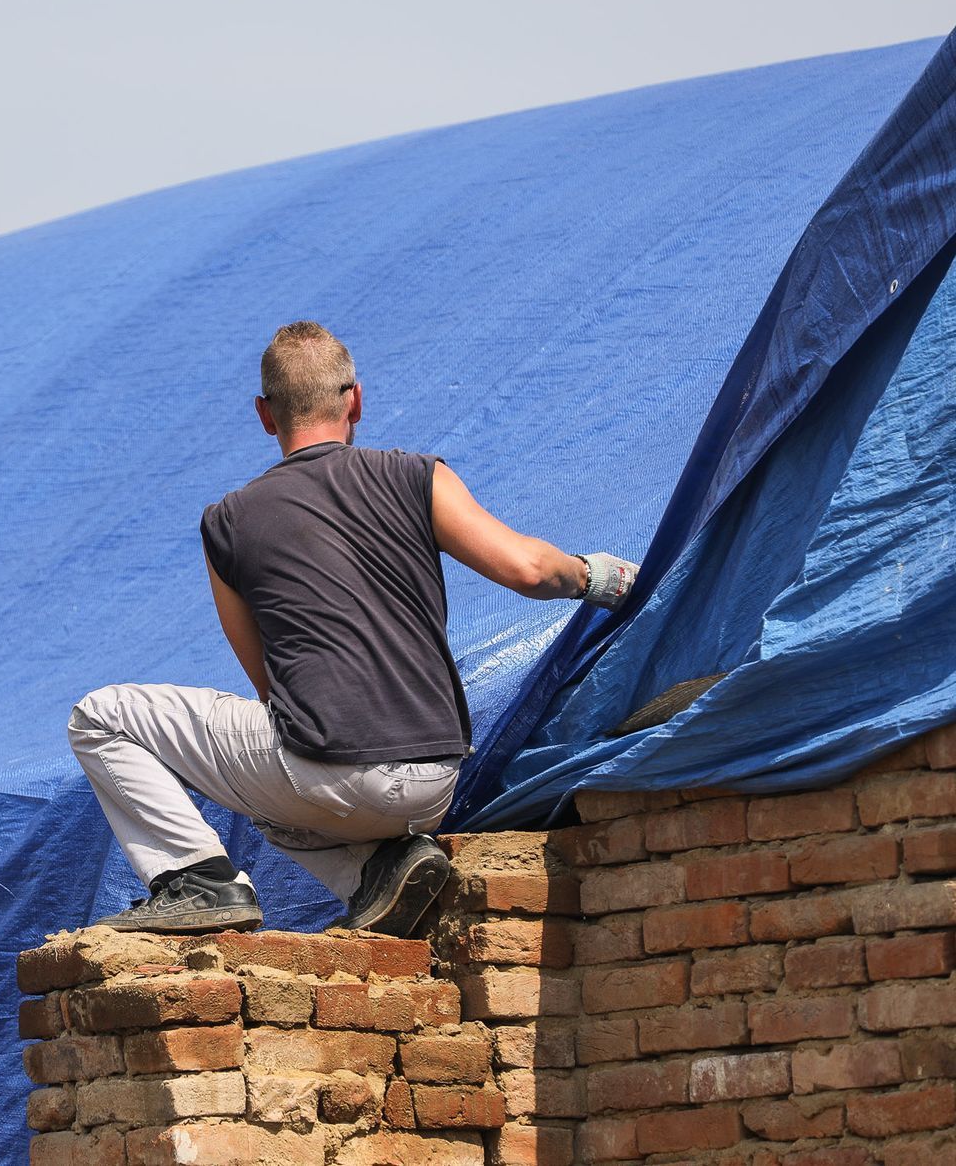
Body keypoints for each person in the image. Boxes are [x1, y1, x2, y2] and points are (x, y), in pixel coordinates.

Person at [68, 322, 639, 937]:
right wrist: (601, 578)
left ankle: (200, 881)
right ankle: (385, 873)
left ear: (265, 415)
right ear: (356, 400)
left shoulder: (228, 523)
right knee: (276, 791)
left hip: (327, 771)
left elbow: (270, 685)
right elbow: (528, 569)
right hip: (435, 779)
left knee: (100, 715)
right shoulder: (418, 477)